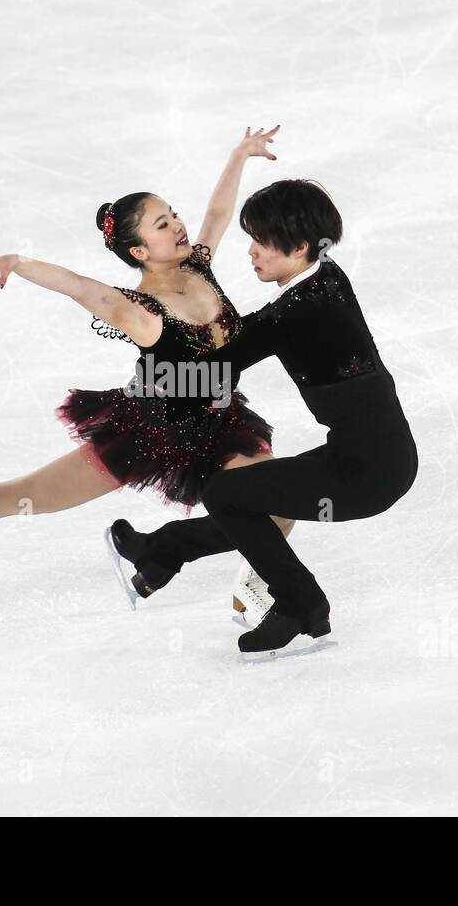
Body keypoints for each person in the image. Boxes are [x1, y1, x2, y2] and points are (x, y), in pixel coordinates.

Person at [0, 128, 299, 603]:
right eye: (161, 224)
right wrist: (20, 262)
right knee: (26, 495)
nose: (177, 225)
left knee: (279, 498)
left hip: (219, 423)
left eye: (172, 214)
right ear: (139, 252)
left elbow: (216, 213)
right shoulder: (140, 310)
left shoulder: (199, 267)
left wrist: (238, 155)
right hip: (150, 428)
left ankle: (256, 580)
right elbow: (79, 286)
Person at [106, 179, 418, 658]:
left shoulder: (296, 308)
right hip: (376, 457)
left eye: (260, 242)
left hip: (368, 471)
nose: (249, 251)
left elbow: (219, 366)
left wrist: (152, 389)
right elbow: (241, 341)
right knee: (252, 499)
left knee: (226, 494)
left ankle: (301, 603)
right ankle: (162, 551)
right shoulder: (323, 279)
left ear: (296, 246)